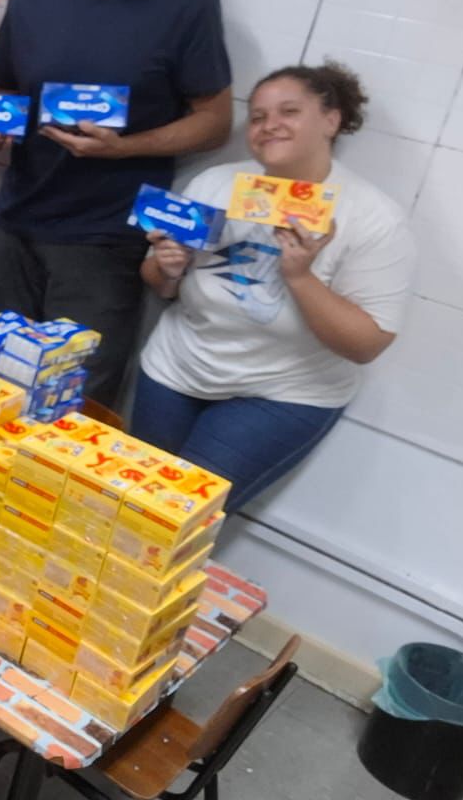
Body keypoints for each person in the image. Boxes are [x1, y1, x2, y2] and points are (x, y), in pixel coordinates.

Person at [0, 0, 233, 404]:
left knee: (73, 410)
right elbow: (7, 99)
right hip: (13, 230)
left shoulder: (185, 7)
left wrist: (124, 149)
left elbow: (215, 122)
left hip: (104, 246)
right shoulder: (32, 2)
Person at [132, 62, 414, 511]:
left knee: (178, 520)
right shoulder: (216, 183)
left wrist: (300, 276)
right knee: (130, 509)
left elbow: (366, 344)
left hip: (281, 392)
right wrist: (168, 268)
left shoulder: (372, 216)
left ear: (331, 120)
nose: (269, 126)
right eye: (259, 116)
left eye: (289, 111)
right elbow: (158, 285)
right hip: (176, 369)